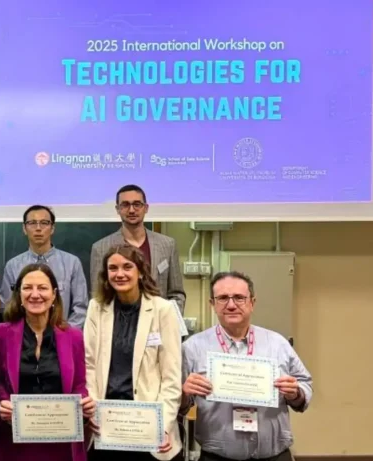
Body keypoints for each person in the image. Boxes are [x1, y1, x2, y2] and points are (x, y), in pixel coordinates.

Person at [182, 271, 312, 461]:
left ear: (252, 302)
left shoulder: (278, 343)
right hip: (216, 457)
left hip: (275, 456)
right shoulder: (192, 348)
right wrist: (184, 393)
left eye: (239, 298)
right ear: (212, 304)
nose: (231, 305)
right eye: (223, 298)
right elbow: (176, 403)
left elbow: (305, 384)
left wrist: (296, 393)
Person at [83, 243, 182, 461]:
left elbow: (171, 377)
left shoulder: (163, 310)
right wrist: (93, 409)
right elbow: (88, 365)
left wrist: (162, 425)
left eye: (127, 267)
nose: (120, 274)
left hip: (149, 428)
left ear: (141, 272)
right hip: (106, 425)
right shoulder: (95, 308)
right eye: (113, 268)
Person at [0, 263, 92, 461]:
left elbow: (79, 384)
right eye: (28, 288)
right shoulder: (0, 333)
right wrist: (1, 402)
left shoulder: (73, 336)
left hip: (62, 443)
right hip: (14, 443)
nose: (35, 294)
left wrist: (84, 402)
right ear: (19, 295)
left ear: (54, 294)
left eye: (43, 288)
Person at [90, 185, 186, 311]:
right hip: (118, 319)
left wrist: (167, 318)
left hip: (159, 320)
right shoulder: (101, 248)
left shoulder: (167, 245)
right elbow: (98, 296)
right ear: (117, 209)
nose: (131, 210)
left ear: (145, 208)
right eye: (125, 205)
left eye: (137, 204)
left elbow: (177, 294)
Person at [0, 205, 88, 329]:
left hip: (63, 334)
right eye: (32, 223)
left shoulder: (72, 263)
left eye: (44, 223)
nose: (38, 228)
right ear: (24, 228)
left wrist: (65, 335)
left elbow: (80, 309)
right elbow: (7, 307)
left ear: (52, 228)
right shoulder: (13, 266)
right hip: (24, 337)